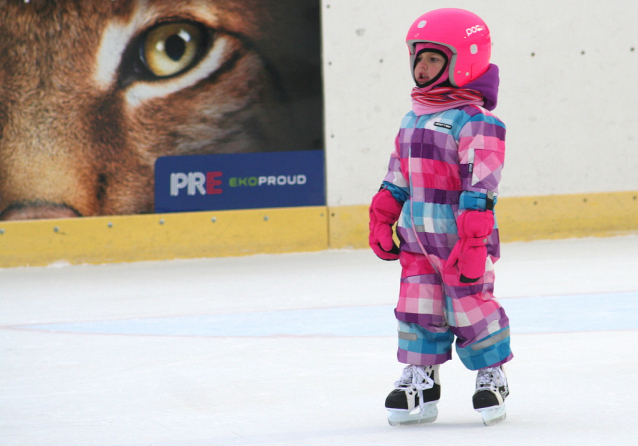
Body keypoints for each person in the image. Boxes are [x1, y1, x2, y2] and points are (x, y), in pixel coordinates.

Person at [368, 8, 513, 427]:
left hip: (460, 238)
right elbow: (398, 174)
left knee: (471, 307)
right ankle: (421, 379)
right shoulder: (412, 118)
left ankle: (492, 375)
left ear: (462, 61)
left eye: (433, 58)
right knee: (417, 308)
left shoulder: (478, 122)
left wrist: (472, 240)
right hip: (417, 237)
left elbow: (481, 187)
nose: (421, 66)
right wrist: (384, 213)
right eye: (417, 57)